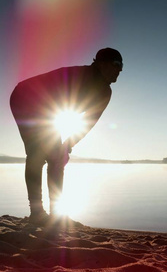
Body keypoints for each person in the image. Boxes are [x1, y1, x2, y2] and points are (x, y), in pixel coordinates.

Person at [10, 48, 123, 225]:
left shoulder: (105, 93)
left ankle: (56, 213)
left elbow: (88, 122)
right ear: (101, 64)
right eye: (117, 64)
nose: (120, 69)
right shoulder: (79, 76)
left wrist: (67, 146)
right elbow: (51, 106)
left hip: (50, 110)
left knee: (56, 158)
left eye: (122, 65)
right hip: (26, 97)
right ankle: (37, 212)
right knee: (37, 154)